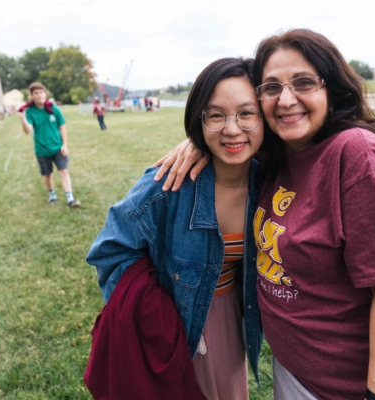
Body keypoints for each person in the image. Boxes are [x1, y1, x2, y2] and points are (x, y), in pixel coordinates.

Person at [154, 29, 375, 400]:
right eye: (271, 87)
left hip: (349, 387)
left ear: (331, 88)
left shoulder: (358, 155)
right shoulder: (279, 155)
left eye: (303, 83)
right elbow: (232, 130)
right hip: (295, 370)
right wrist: (200, 139)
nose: (286, 100)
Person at [86, 57, 264, 400]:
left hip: (234, 317)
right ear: (199, 120)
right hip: (179, 324)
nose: (231, 128)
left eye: (246, 113)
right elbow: (109, 249)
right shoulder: (168, 185)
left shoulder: (271, 178)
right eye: (215, 115)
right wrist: (157, 322)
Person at [18, 82, 81, 207]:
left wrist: (65, 145)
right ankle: (52, 194)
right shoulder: (30, 111)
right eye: (36, 93)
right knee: (47, 174)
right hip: (42, 149)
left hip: (58, 147)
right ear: (32, 96)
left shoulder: (53, 108)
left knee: (63, 170)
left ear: (45, 93)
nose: (39, 95)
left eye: (41, 92)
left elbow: (62, 127)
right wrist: (22, 117)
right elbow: (28, 131)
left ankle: (70, 198)